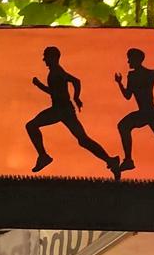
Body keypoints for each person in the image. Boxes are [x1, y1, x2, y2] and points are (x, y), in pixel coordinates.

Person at [26, 46, 120, 177]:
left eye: (46, 56)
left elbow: (74, 82)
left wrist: (76, 97)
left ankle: (43, 156)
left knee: (31, 126)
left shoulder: (57, 71)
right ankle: (110, 160)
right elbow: (59, 90)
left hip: (61, 109)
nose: (44, 59)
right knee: (83, 140)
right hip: (63, 109)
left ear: (53, 57)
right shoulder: (55, 71)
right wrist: (40, 85)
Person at [115, 47, 154, 173]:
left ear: (136, 60)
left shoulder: (147, 74)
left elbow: (127, 96)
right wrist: (119, 83)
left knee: (123, 126)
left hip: (148, 112)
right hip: (148, 112)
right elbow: (128, 96)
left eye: (130, 59)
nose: (128, 62)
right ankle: (128, 160)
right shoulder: (139, 74)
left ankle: (128, 160)